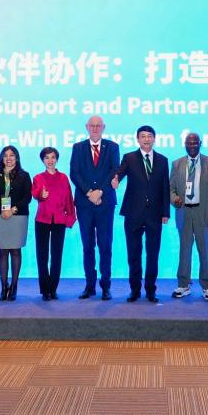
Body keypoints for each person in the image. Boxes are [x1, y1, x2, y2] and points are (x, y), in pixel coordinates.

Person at [111, 125, 170, 302]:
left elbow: (165, 187)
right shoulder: (129, 157)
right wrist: (115, 179)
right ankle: (135, 290)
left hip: (155, 214)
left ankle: (151, 290)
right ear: (137, 139)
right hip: (133, 213)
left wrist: (165, 212)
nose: (146, 139)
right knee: (133, 254)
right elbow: (119, 172)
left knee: (153, 254)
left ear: (154, 139)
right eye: (142, 136)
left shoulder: (162, 160)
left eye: (149, 136)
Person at [69, 116, 120, 300]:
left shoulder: (112, 147)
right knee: (88, 245)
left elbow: (114, 170)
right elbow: (74, 173)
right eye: (92, 125)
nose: (95, 128)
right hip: (85, 204)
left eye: (99, 126)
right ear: (87, 127)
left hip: (105, 203)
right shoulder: (78, 147)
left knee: (105, 245)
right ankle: (89, 285)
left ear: (104, 127)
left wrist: (100, 192)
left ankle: (106, 286)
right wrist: (90, 192)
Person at [169, 133, 208, 301]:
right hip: (183, 211)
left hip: (202, 212)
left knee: (204, 250)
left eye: (195, 143)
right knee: (184, 250)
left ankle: (207, 286)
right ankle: (183, 285)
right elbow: (170, 189)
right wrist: (174, 199)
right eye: (189, 143)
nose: (192, 146)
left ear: (200, 144)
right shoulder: (177, 164)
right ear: (184, 144)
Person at [0, 145, 32, 301]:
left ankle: (14, 286)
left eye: (12, 155)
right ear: (1, 158)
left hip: (17, 216)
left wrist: (12, 210)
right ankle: (4, 287)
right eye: (5, 155)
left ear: (17, 158)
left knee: (15, 250)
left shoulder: (24, 175)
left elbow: (27, 197)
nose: (8, 158)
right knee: (2, 251)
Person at [32, 147, 76, 301]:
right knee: (42, 256)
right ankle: (45, 290)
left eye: (52, 157)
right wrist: (41, 195)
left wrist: (70, 218)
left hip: (59, 220)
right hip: (42, 220)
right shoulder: (38, 177)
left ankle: (53, 289)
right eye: (46, 158)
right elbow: (35, 193)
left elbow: (69, 199)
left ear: (56, 159)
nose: (50, 160)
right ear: (43, 160)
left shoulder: (63, 178)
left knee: (57, 256)